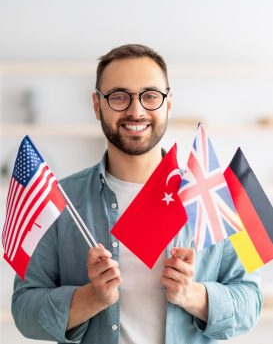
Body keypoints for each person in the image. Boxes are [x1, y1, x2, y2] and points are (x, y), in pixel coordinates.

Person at [12, 44, 262, 344]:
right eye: (119, 96)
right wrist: (91, 298)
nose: (136, 110)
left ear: (168, 103)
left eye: (150, 96)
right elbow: (24, 309)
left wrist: (193, 295)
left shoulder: (215, 193)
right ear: (97, 105)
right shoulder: (60, 200)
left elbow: (251, 302)